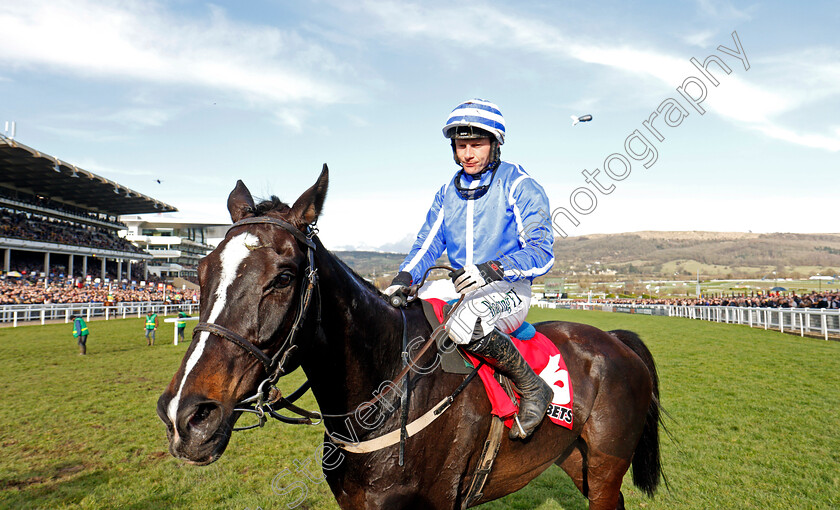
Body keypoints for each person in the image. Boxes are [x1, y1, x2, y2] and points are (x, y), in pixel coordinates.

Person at [385, 99, 555, 439]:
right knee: (406, 314)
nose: (467, 154)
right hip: (460, 285)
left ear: (494, 145)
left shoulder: (519, 184)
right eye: (461, 146)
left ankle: (533, 387)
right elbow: (428, 244)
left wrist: (494, 269)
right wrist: (403, 280)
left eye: (476, 145)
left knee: (466, 322)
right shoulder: (448, 191)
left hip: (508, 288)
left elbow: (542, 252)